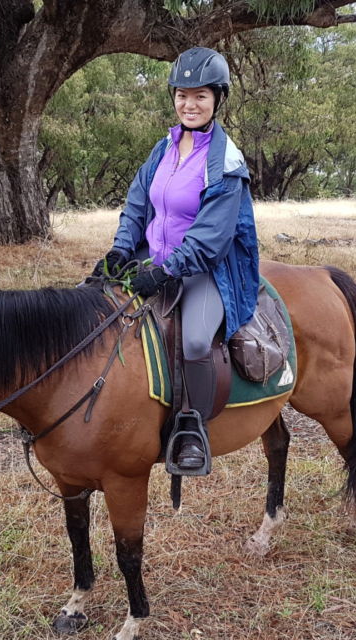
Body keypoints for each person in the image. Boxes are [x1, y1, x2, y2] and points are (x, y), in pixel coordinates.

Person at [91, 46, 259, 472]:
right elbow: (136, 205)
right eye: (183, 95)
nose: (190, 104)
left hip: (205, 269)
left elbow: (211, 238)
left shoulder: (226, 162)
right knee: (91, 306)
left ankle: (191, 426)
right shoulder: (162, 149)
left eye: (201, 96)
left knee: (197, 340)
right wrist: (121, 250)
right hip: (153, 259)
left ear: (218, 99)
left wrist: (166, 271)